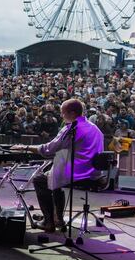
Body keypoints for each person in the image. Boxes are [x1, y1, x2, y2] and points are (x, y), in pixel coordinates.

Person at [13, 99, 104, 233]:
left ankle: (49, 222)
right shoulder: (94, 127)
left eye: (63, 113)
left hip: (77, 174)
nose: (61, 116)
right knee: (53, 177)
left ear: (72, 113)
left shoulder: (72, 129)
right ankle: (58, 219)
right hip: (94, 173)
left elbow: (48, 149)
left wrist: (24, 147)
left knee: (40, 180)